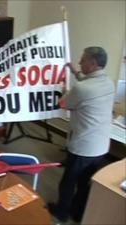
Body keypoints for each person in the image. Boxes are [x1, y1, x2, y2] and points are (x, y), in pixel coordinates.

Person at [48, 47, 115, 222]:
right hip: (100, 146)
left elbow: (63, 104)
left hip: (82, 147)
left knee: (68, 182)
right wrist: (75, 72)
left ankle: (61, 212)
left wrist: (62, 91)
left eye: (83, 60)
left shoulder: (81, 89)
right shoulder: (108, 83)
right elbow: (87, 84)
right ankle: (78, 213)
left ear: (92, 63)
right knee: (85, 182)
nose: (79, 62)